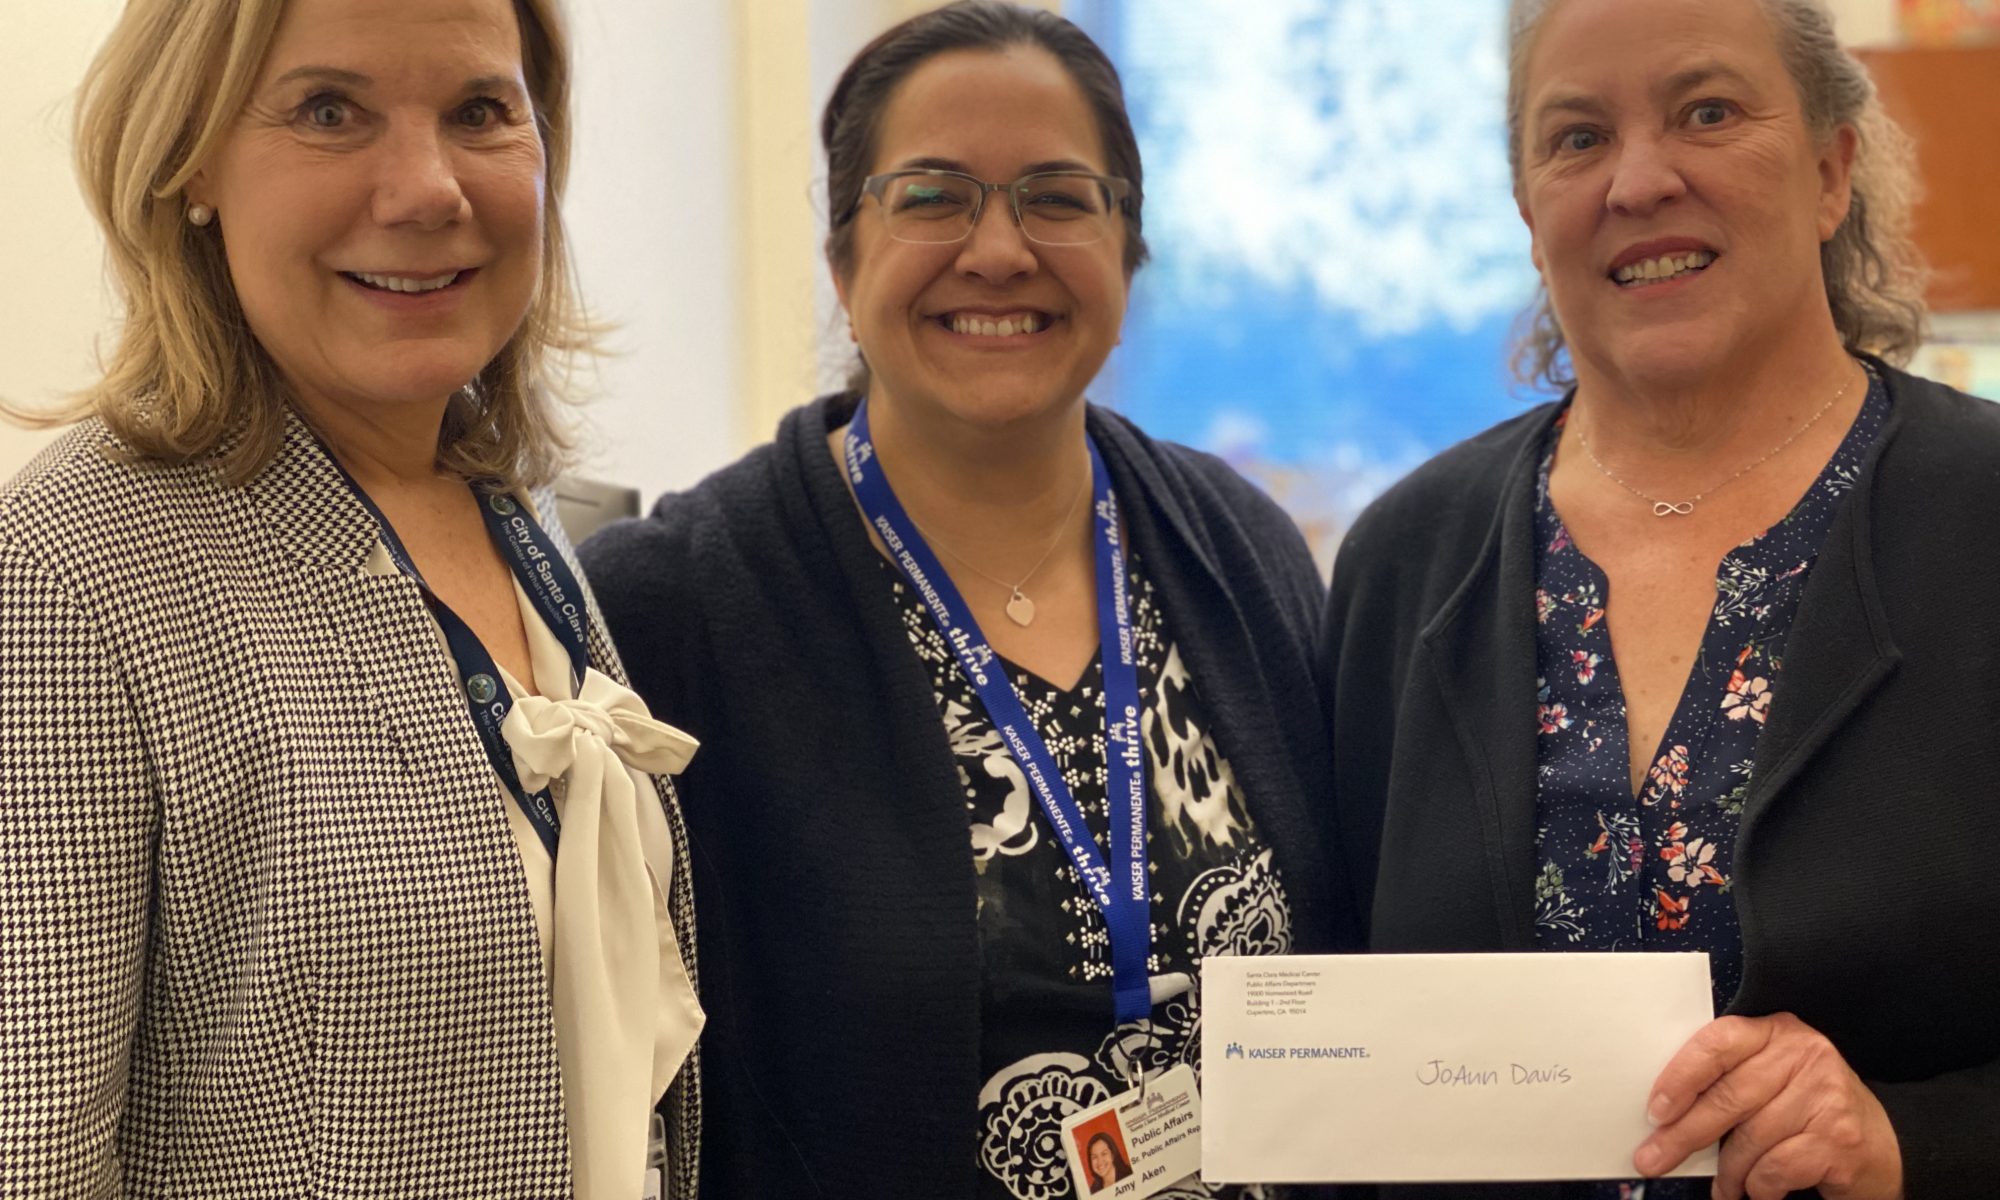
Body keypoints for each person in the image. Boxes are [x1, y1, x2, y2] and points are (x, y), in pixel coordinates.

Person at [579, 2, 1355, 1196]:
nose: (997, 251)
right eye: (933, 196)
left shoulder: (1237, 548)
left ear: (1125, 246)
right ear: (843, 256)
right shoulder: (669, 612)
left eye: (1055, 195)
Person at [0, 0, 704, 1195]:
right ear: (192, 160)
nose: (428, 188)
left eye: (480, 111)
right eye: (331, 111)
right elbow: (33, 1155)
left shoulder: (515, 516)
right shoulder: (74, 570)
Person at [1320, 0, 1998, 1197]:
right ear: (1530, 213)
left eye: (1706, 112)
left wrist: (1909, 1141)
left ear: (1832, 167)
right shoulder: (1402, 562)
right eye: (1575, 137)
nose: (1637, 180)